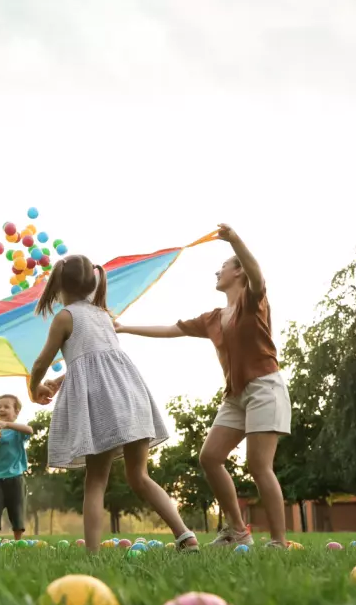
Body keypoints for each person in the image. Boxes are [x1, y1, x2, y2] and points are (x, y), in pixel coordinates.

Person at [115, 223, 290, 548]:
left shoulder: (253, 301)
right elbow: (171, 329)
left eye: (222, 268)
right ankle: (238, 531)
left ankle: (279, 541)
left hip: (265, 388)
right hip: (235, 396)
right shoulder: (212, 318)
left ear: (238, 273)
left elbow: (257, 274)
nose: (216, 273)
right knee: (210, 457)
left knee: (258, 464)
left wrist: (235, 240)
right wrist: (124, 328)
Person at [30, 254, 198, 553]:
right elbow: (97, 362)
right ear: (93, 282)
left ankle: (93, 556)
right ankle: (185, 535)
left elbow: (44, 360)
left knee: (96, 482)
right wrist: (63, 379)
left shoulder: (65, 317)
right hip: (131, 397)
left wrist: (34, 388)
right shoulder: (103, 316)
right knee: (140, 476)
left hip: (103, 407)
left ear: (58, 284)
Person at [0, 394, 33, 542]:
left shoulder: (17, 431)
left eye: (6, 407)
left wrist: (7, 425)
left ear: (16, 412)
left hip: (15, 477)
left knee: (16, 510)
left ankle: (18, 542)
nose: (1, 409)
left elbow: (29, 430)